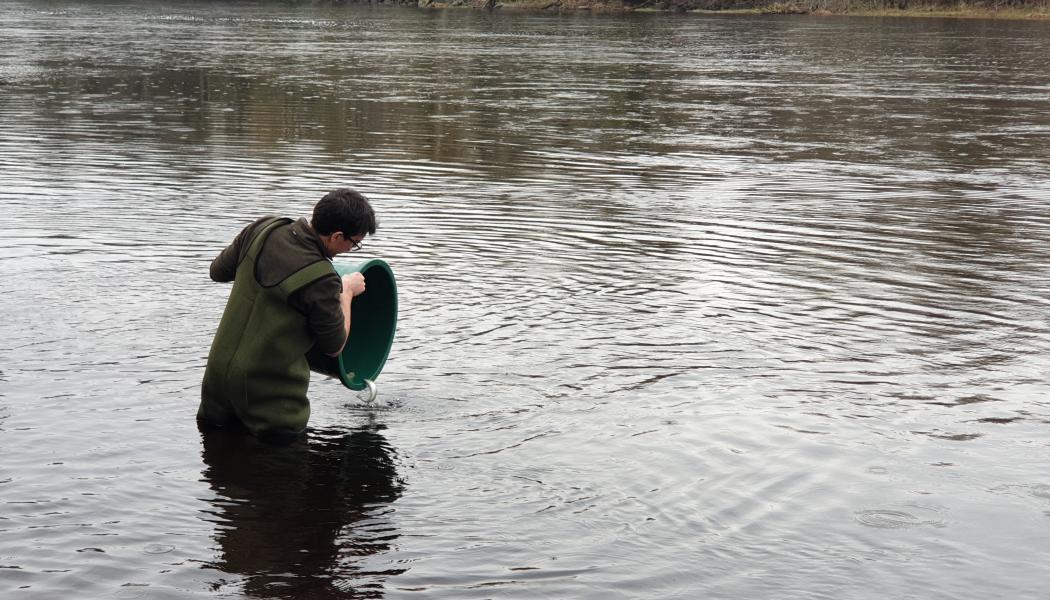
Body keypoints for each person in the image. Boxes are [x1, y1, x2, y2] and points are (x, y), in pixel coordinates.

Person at [198, 188, 377, 443]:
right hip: (270, 399)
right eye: (354, 243)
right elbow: (335, 346)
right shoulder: (323, 278)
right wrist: (346, 291)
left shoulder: (263, 229)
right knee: (279, 476)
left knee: (219, 468)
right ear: (338, 236)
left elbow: (217, 272)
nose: (351, 249)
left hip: (217, 382)